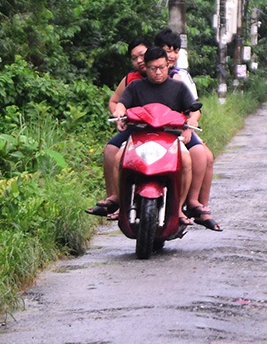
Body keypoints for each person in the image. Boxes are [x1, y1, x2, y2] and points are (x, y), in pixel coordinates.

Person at [100, 45, 198, 225]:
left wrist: (191, 123)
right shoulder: (136, 86)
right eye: (153, 68)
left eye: (162, 67)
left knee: (186, 161)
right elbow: (121, 104)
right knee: (118, 158)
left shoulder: (179, 87)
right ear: (146, 67)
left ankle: (178, 210)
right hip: (139, 136)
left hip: (171, 137)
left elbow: (194, 110)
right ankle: (122, 205)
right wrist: (119, 113)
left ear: (168, 65)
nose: (158, 72)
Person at [151, 29, 219, 228]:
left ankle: (196, 203)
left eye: (175, 51)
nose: (171, 55)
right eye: (166, 50)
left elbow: (194, 107)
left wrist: (190, 126)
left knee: (204, 156)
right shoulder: (142, 76)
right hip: (151, 128)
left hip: (179, 128)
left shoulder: (181, 78)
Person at [92, 42, 148, 217]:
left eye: (142, 55)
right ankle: (114, 198)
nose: (139, 60)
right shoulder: (131, 79)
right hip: (134, 128)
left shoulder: (170, 76)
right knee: (110, 150)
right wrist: (119, 116)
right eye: (134, 58)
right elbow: (114, 102)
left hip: (165, 130)